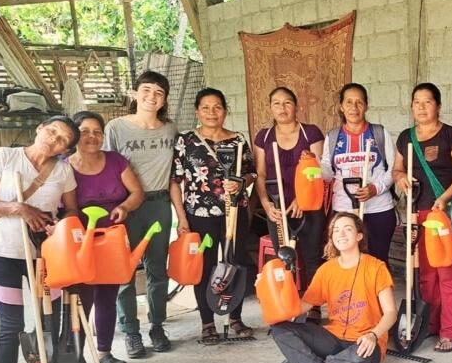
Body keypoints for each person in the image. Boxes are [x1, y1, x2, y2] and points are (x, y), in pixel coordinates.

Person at [0, 116, 80, 363]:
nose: (54, 138)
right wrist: (19, 207)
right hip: (1, 254)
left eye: (62, 139)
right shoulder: (5, 156)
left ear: (65, 149)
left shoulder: (63, 170)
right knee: (11, 326)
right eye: (52, 131)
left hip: (44, 256)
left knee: (50, 321)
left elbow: (72, 210)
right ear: (40, 128)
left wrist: (60, 224)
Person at [271, 212, 397, 363]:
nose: (341, 234)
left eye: (348, 229)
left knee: (360, 357)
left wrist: (373, 335)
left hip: (364, 341)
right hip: (332, 338)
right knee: (279, 329)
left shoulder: (376, 267)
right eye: (336, 230)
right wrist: (273, 289)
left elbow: (391, 313)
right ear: (331, 237)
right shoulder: (326, 270)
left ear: (359, 236)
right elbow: (302, 306)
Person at [170, 88, 256, 344]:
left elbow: (252, 172)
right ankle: (207, 323)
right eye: (205, 107)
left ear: (225, 111)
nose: (211, 112)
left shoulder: (237, 140)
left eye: (217, 107)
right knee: (204, 266)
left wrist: (240, 183)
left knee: (235, 263)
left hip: (234, 213)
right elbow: (175, 181)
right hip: (199, 214)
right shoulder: (186, 141)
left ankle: (235, 317)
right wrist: (182, 218)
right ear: (197, 111)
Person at [393, 83, 452, 352]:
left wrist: (445, 197)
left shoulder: (451, 135)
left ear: (438, 105)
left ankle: (451, 331)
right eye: (417, 102)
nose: (422, 107)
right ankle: (430, 323)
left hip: (441, 214)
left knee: (447, 274)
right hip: (416, 213)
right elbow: (397, 169)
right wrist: (400, 177)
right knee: (425, 275)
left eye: (427, 101)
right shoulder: (405, 137)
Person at [104, 71, 176, 358]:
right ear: (135, 93)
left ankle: (157, 326)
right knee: (125, 270)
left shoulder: (170, 130)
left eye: (158, 92)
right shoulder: (116, 128)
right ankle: (131, 330)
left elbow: (175, 175)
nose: (151, 96)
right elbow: (106, 167)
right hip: (126, 206)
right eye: (146, 90)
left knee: (158, 269)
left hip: (159, 204)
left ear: (164, 100)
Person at [69, 111, 144, 363]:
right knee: (81, 299)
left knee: (107, 296)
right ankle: (76, 358)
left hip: (112, 239)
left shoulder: (115, 161)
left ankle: (104, 353)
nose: (92, 137)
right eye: (85, 131)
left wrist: (124, 207)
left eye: (97, 132)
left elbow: (137, 192)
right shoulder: (64, 167)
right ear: (74, 135)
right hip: (80, 241)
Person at [254, 86, 326, 313]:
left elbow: (318, 172)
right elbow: (261, 174)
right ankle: (286, 306)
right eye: (276, 103)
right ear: (270, 108)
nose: (282, 108)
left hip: (309, 206)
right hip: (277, 208)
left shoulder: (310, 133)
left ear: (296, 106)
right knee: (284, 259)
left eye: (287, 102)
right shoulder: (264, 137)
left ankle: (313, 308)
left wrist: (301, 199)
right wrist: (266, 204)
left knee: (312, 257)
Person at [321, 83, 397, 266]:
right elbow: (327, 172)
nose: (354, 108)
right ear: (341, 106)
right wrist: (312, 166)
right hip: (344, 208)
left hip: (378, 209)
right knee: (347, 262)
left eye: (359, 102)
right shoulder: (332, 137)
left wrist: (375, 188)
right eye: (348, 102)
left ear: (366, 105)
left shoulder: (379, 133)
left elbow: (394, 169)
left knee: (378, 262)